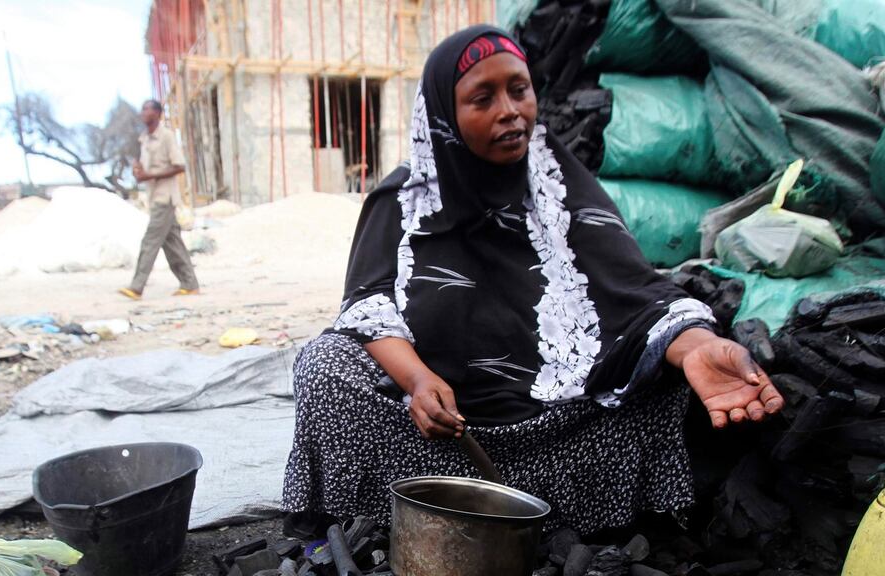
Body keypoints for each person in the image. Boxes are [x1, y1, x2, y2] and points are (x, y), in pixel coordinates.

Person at [282, 26, 784, 534]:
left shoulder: (562, 193)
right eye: (483, 98)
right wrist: (416, 381)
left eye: (519, 89)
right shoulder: (404, 203)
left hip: (556, 431)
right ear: (443, 114)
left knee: (664, 381)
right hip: (433, 435)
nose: (510, 111)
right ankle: (375, 515)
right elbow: (368, 308)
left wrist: (696, 347)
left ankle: (581, 520)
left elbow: (637, 296)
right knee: (324, 367)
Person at [119, 100, 200, 300]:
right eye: (143, 108)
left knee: (150, 241)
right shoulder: (144, 139)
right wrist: (139, 172)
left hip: (165, 198)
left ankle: (137, 286)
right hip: (155, 197)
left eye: (148, 109)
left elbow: (179, 166)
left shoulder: (166, 137)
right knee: (173, 244)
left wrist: (150, 176)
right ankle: (190, 284)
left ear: (158, 113)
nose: (144, 112)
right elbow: (145, 168)